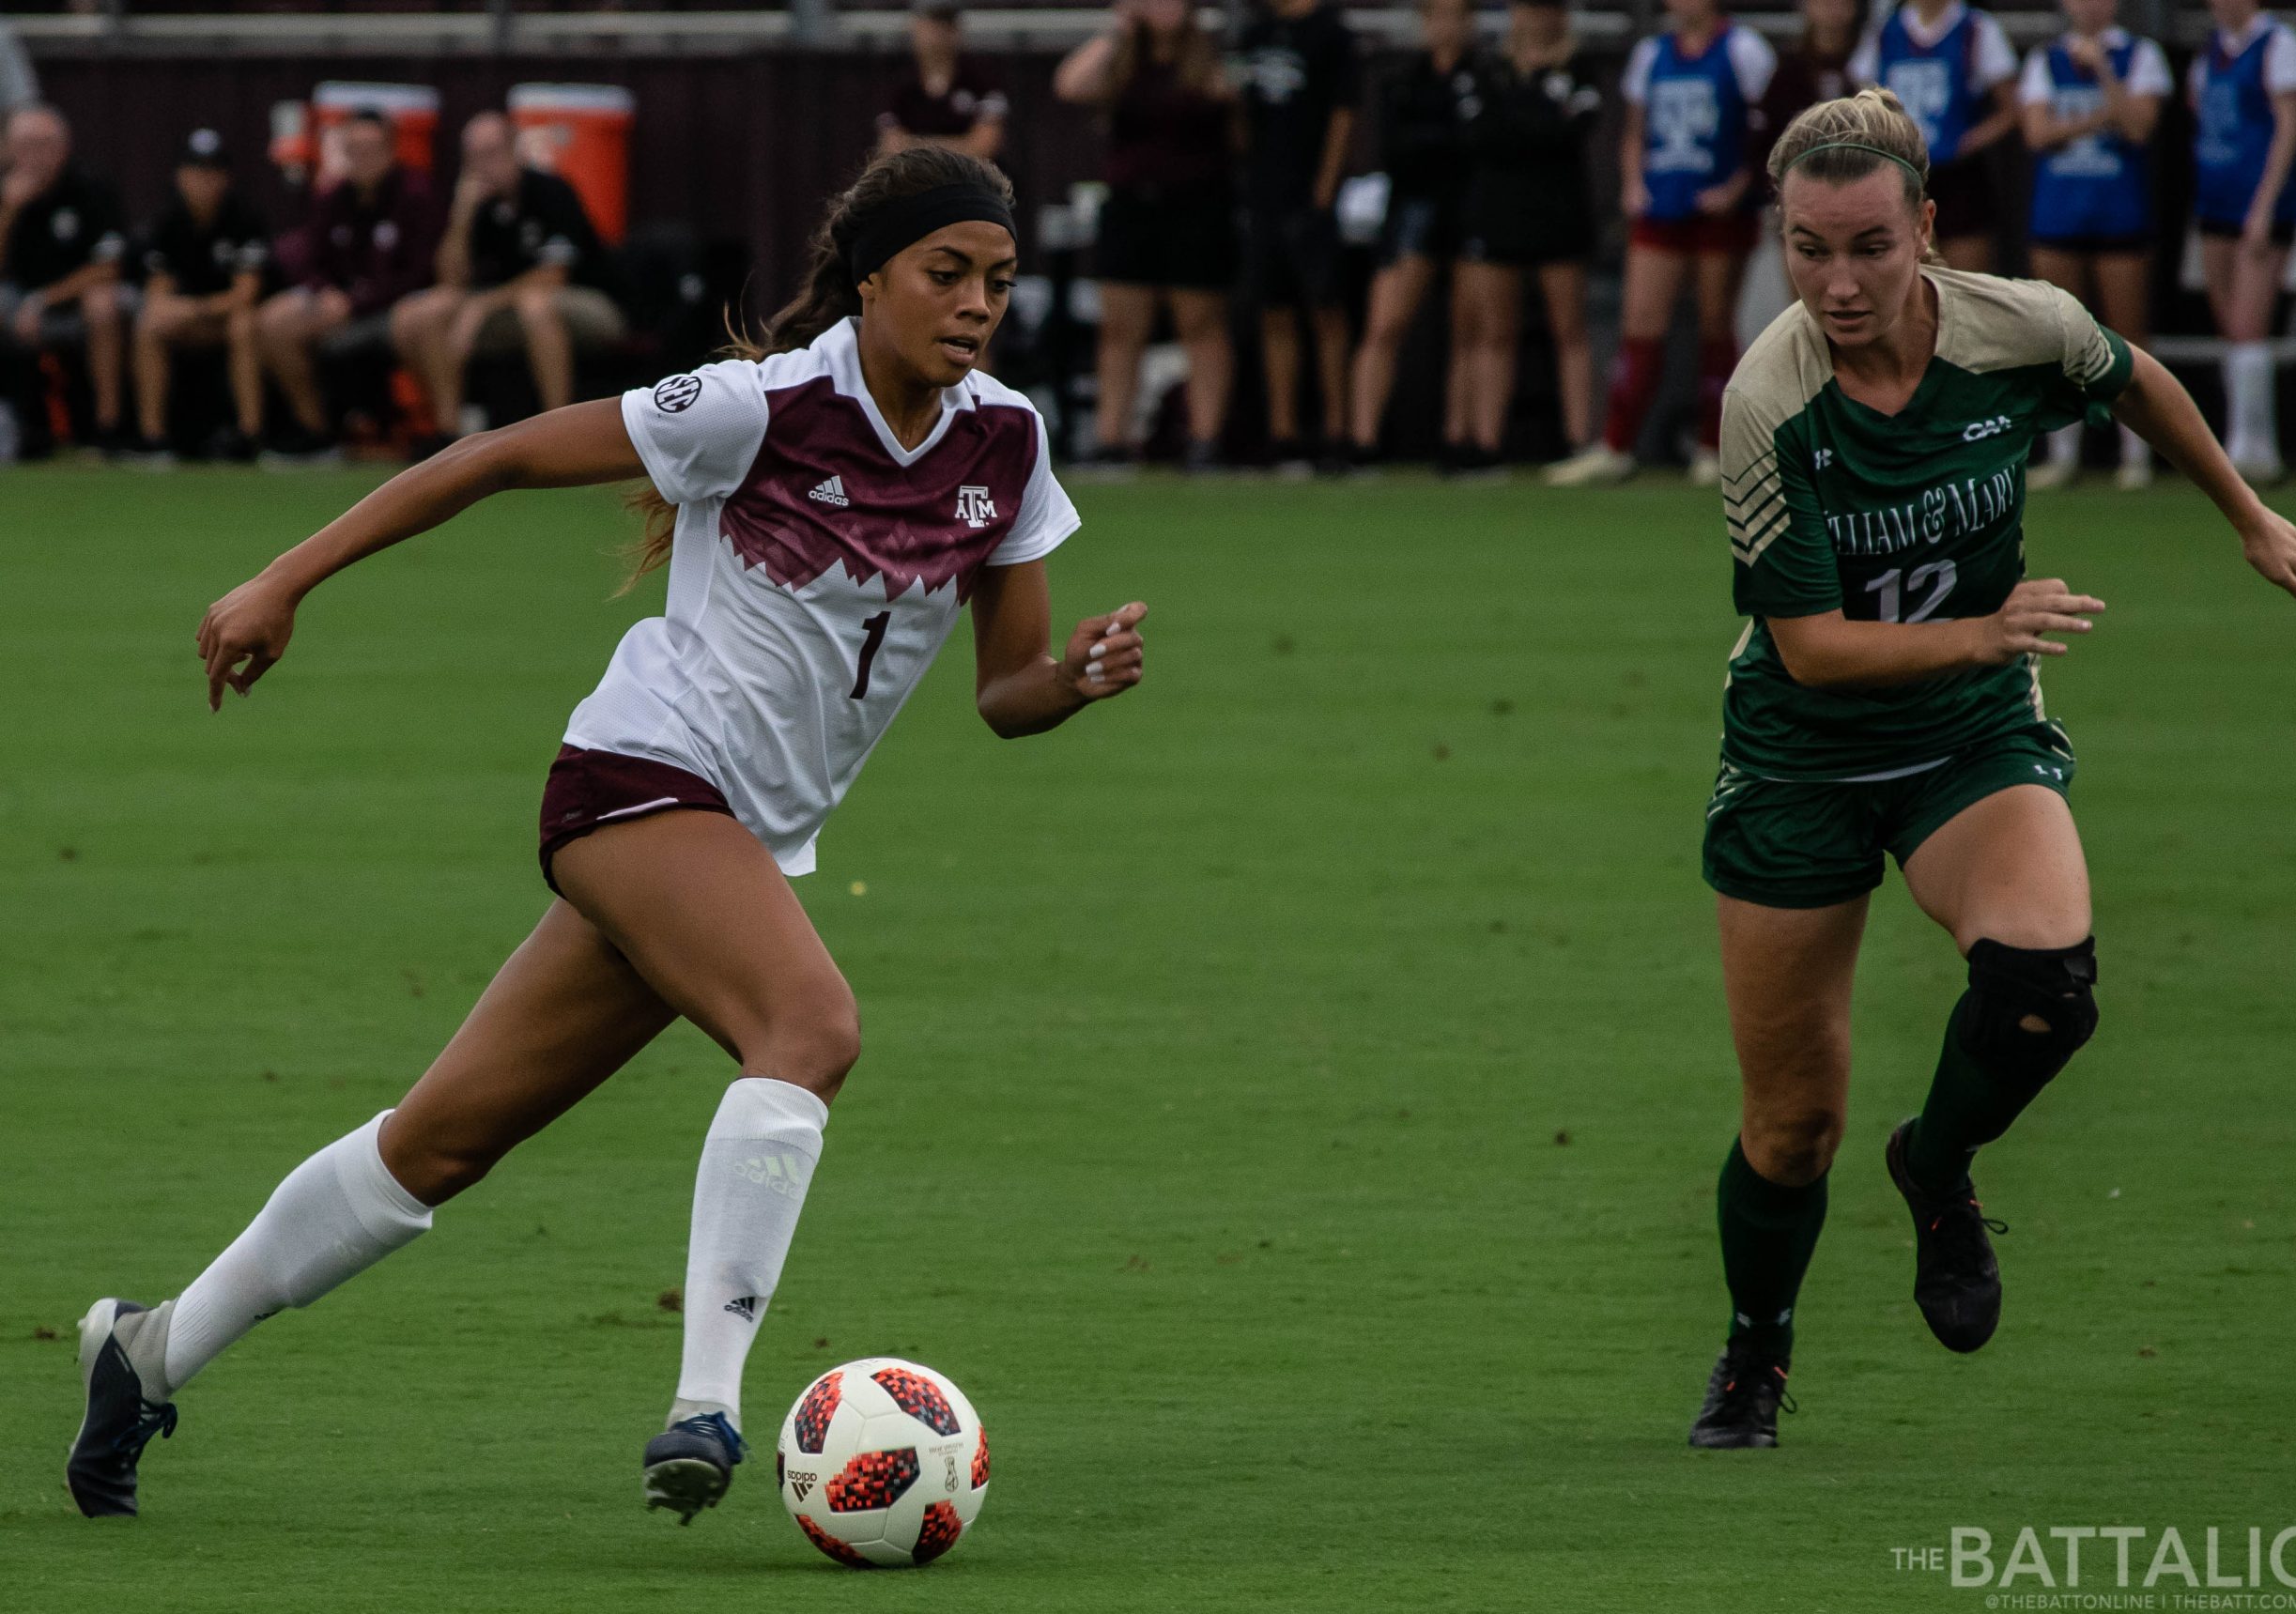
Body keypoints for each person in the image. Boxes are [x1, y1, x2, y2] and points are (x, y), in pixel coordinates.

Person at [69, 146, 1148, 1525]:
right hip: (639, 777)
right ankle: (706, 1402)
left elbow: (1006, 688)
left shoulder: (1006, 442)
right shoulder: (760, 406)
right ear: (871, 279)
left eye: (997, 279)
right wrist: (284, 577)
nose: (977, 302)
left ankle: (150, 1346)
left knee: (440, 1142)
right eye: (947, 273)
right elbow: (500, 454)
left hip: (725, 843)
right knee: (809, 1026)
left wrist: (1073, 680)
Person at [1688, 89, 2296, 1451]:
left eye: (1870, 243)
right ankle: (1756, 1349)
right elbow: (1806, 648)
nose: (1840, 280)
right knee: (1792, 1122)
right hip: (1804, 756)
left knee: (2047, 983)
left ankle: (1937, 1162)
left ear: (1925, 226)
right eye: (1809, 249)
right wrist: (1988, 623)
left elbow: (2133, 375)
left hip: (1969, 732)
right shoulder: (1768, 399)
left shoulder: (2016, 325)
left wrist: (2245, 511)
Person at [1548, 0, 1775, 486]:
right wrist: (1634, 184)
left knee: (1716, 325)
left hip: (1718, 211)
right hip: (1662, 206)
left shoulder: (1743, 49)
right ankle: (1616, 444)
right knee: (1641, 325)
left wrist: (1737, 187)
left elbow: (1768, 129)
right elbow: (1635, 132)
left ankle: (1714, 447)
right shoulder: (1652, 54)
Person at [1056, 0, 1237, 471]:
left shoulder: (1208, 56)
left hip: (1197, 206)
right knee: (1119, 328)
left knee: (1200, 323)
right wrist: (1120, 28)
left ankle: (1205, 439)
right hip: (1131, 205)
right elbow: (1070, 85)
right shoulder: (1123, 57)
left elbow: (1232, 101)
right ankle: (1111, 439)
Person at [393, 112, 624, 456]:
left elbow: (553, 275)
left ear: (516, 149)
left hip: (588, 304)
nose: (483, 165)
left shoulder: (551, 190)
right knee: (419, 314)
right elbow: (451, 279)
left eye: (492, 153)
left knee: (535, 305)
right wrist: (462, 214)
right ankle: (448, 434)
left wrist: (481, 305)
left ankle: (559, 436)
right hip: (506, 309)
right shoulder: (477, 206)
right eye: (473, 156)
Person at [2020, 0, 2171, 492]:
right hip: (2059, 214)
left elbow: (2138, 126)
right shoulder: (2045, 58)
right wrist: (2098, 119)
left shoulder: (2141, 56)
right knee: (2057, 337)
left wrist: (2103, 71)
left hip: (2119, 215)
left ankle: (2136, 455)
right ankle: (2064, 455)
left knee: (2127, 339)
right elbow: (2037, 132)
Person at [1454, 0, 1608, 475]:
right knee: (1493, 333)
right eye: (1529, 9)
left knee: (1569, 331)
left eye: (1548, 10)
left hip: (1558, 214)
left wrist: (1526, 119)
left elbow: (1570, 131)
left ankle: (1579, 442)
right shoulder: (1488, 67)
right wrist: (1539, 113)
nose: (1538, 19)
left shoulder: (1579, 66)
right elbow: (1481, 135)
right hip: (1498, 213)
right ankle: (1486, 445)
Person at [1344, 0, 1487, 469]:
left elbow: (1482, 144)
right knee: (1384, 326)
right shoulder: (1403, 82)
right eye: (1436, 16)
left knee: (1470, 331)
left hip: (1467, 210)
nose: (1445, 26)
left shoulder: (1484, 80)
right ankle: (1362, 441)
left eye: (1455, 16)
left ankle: (1460, 441)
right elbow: (1398, 149)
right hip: (1412, 212)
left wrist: (1438, 143)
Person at [256, 108, 442, 464]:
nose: (361, 159)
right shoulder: (332, 197)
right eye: (352, 150)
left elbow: (420, 273)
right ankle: (316, 434)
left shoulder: (417, 194)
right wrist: (326, 293)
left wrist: (355, 303)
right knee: (273, 320)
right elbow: (312, 260)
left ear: (390, 150)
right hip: (343, 308)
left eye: (370, 149)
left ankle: (442, 432)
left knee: (418, 318)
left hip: (397, 307)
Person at [1235, 0, 1362, 472]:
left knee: (1326, 310)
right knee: (1275, 312)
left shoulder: (1332, 35)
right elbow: (1243, 115)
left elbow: (1343, 115)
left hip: (1310, 198)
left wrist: (1323, 195)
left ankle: (1337, 432)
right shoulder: (1255, 32)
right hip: (1263, 195)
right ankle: (1284, 434)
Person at [2191, 0, 2296, 483]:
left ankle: (2253, 450)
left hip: (2260, 209)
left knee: (2249, 326)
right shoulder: (2210, 51)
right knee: (2231, 328)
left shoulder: (2279, 45)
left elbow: (2290, 127)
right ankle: (2244, 439)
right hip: (2215, 204)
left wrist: (2263, 206)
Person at [127, 128, 270, 466]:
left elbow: (246, 294)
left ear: (226, 177)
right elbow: (158, 296)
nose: (205, 181)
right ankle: (153, 438)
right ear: (180, 176)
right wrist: (186, 312)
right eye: (196, 171)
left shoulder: (244, 219)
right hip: (187, 324)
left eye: (214, 172)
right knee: (150, 324)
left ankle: (249, 435)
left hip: (224, 320)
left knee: (243, 325)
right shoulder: (163, 222)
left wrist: (196, 308)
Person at [1848, 0, 2018, 270]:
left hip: (1958, 177)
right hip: (1899, 175)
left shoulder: (1976, 28)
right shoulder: (1884, 32)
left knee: (1966, 288)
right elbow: (1861, 102)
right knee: (1901, 281)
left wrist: (1968, 141)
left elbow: (2011, 108)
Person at [0, 103, 127, 455]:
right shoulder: (5, 193)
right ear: (8, 149)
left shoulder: (91, 188)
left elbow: (108, 267)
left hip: (72, 300)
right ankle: (14, 430)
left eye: (45, 145)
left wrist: (43, 300)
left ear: (64, 147)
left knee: (104, 304)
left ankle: (108, 429)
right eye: (25, 145)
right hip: (16, 300)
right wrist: (9, 212)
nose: (35, 156)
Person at [878, 0, 1009, 162]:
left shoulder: (984, 79)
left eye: (947, 24)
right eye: (932, 23)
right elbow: (891, 147)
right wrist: (959, 145)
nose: (939, 33)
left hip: (974, 183)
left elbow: (982, 147)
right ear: (915, 26)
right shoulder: (899, 82)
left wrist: (914, 146)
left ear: (958, 29)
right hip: (917, 182)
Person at [1759, 0, 1860, 148]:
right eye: (1826, 3)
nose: (1834, 9)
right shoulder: (1790, 70)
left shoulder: (1867, 61)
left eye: (1842, 2)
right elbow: (1771, 132)